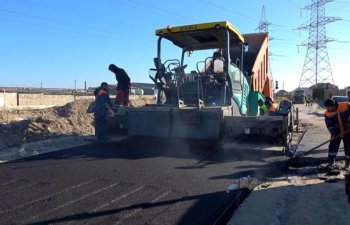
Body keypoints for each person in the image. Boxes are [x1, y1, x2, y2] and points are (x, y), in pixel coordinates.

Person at [324, 98, 350, 168]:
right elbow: (330, 126)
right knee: (333, 145)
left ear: (333, 105)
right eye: (326, 108)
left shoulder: (345, 105)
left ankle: (347, 164)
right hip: (337, 130)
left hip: (348, 129)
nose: (328, 109)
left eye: (329, 107)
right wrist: (333, 134)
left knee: (348, 146)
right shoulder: (327, 114)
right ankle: (331, 161)